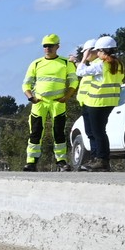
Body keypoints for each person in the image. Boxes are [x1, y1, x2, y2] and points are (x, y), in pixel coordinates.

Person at [21, 34, 76, 171]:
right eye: (45, 46)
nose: (47, 48)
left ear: (57, 46)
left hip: (58, 103)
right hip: (39, 103)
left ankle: (61, 161)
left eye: (50, 45)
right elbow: (26, 84)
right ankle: (31, 162)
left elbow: (74, 82)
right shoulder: (36, 63)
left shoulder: (65, 63)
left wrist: (67, 97)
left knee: (59, 132)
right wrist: (31, 97)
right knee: (35, 132)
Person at [74, 35, 125, 171]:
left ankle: (102, 160)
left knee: (98, 133)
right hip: (110, 101)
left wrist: (83, 58)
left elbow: (80, 72)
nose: (97, 53)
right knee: (100, 132)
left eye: (98, 51)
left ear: (103, 51)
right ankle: (100, 159)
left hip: (97, 102)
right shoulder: (118, 64)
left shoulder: (101, 65)